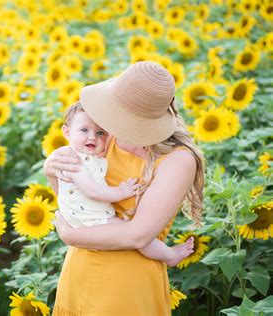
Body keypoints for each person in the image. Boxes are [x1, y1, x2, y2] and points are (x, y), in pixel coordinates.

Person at [44, 61, 205, 315]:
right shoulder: (105, 137)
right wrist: (53, 172)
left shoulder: (177, 160)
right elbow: (80, 205)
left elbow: (137, 235)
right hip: (79, 272)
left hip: (127, 286)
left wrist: (69, 235)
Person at [58, 102, 195, 267]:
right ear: (67, 132)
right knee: (130, 232)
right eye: (84, 130)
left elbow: (138, 235)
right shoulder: (75, 159)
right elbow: (92, 191)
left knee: (135, 235)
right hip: (90, 224)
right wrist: (121, 192)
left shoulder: (93, 152)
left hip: (125, 264)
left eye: (100, 132)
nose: (93, 137)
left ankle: (169, 255)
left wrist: (68, 233)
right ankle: (170, 255)